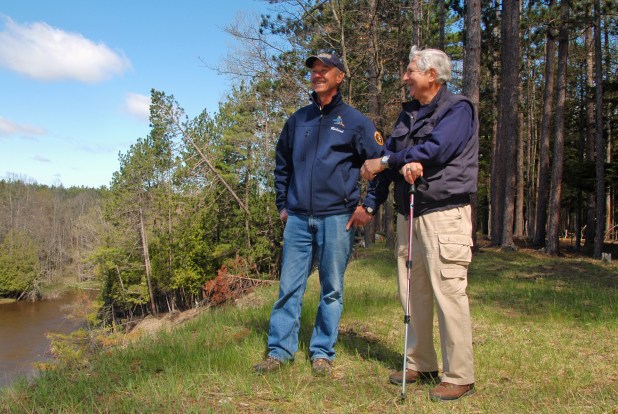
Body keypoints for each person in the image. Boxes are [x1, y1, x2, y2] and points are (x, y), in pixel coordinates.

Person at [253, 52, 385, 376]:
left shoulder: (355, 122)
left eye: (325, 70)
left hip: (337, 219)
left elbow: (382, 163)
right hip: (298, 219)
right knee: (288, 288)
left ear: (339, 77)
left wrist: (368, 206)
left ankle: (322, 353)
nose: (317, 74)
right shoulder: (298, 120)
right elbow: (281, 164)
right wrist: (283, 206)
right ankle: (279, 352)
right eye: (314, 70)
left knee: (332, 289)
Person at [360, 46, 478, 401]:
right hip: (409, 212)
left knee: (449, 293)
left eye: (411, 70)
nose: (405, 77)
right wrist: (371, 200)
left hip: (444, 213)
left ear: (432, 75)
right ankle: (421, 363)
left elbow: (436, 150)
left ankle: (460, 375)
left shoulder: (458, 109)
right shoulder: (409, 113)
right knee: (412, 292)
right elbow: (392, 156)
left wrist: (387, 161)